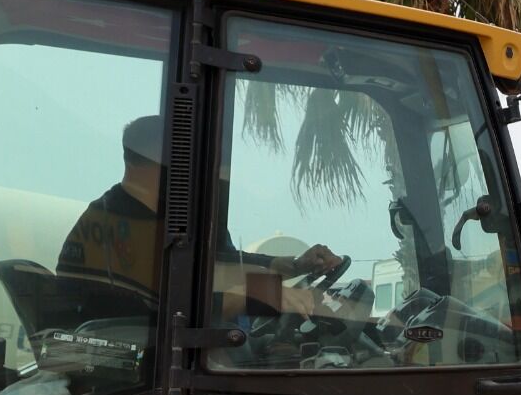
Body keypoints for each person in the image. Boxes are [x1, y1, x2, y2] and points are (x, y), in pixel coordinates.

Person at [59, 115, 342, 296]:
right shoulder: (123, 223)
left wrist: (296, 265)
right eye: (186, 156)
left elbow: (222, 262)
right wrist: (274, 298)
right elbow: (189, 300)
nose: (197, 169)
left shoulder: (167, 215)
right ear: (164, 160)